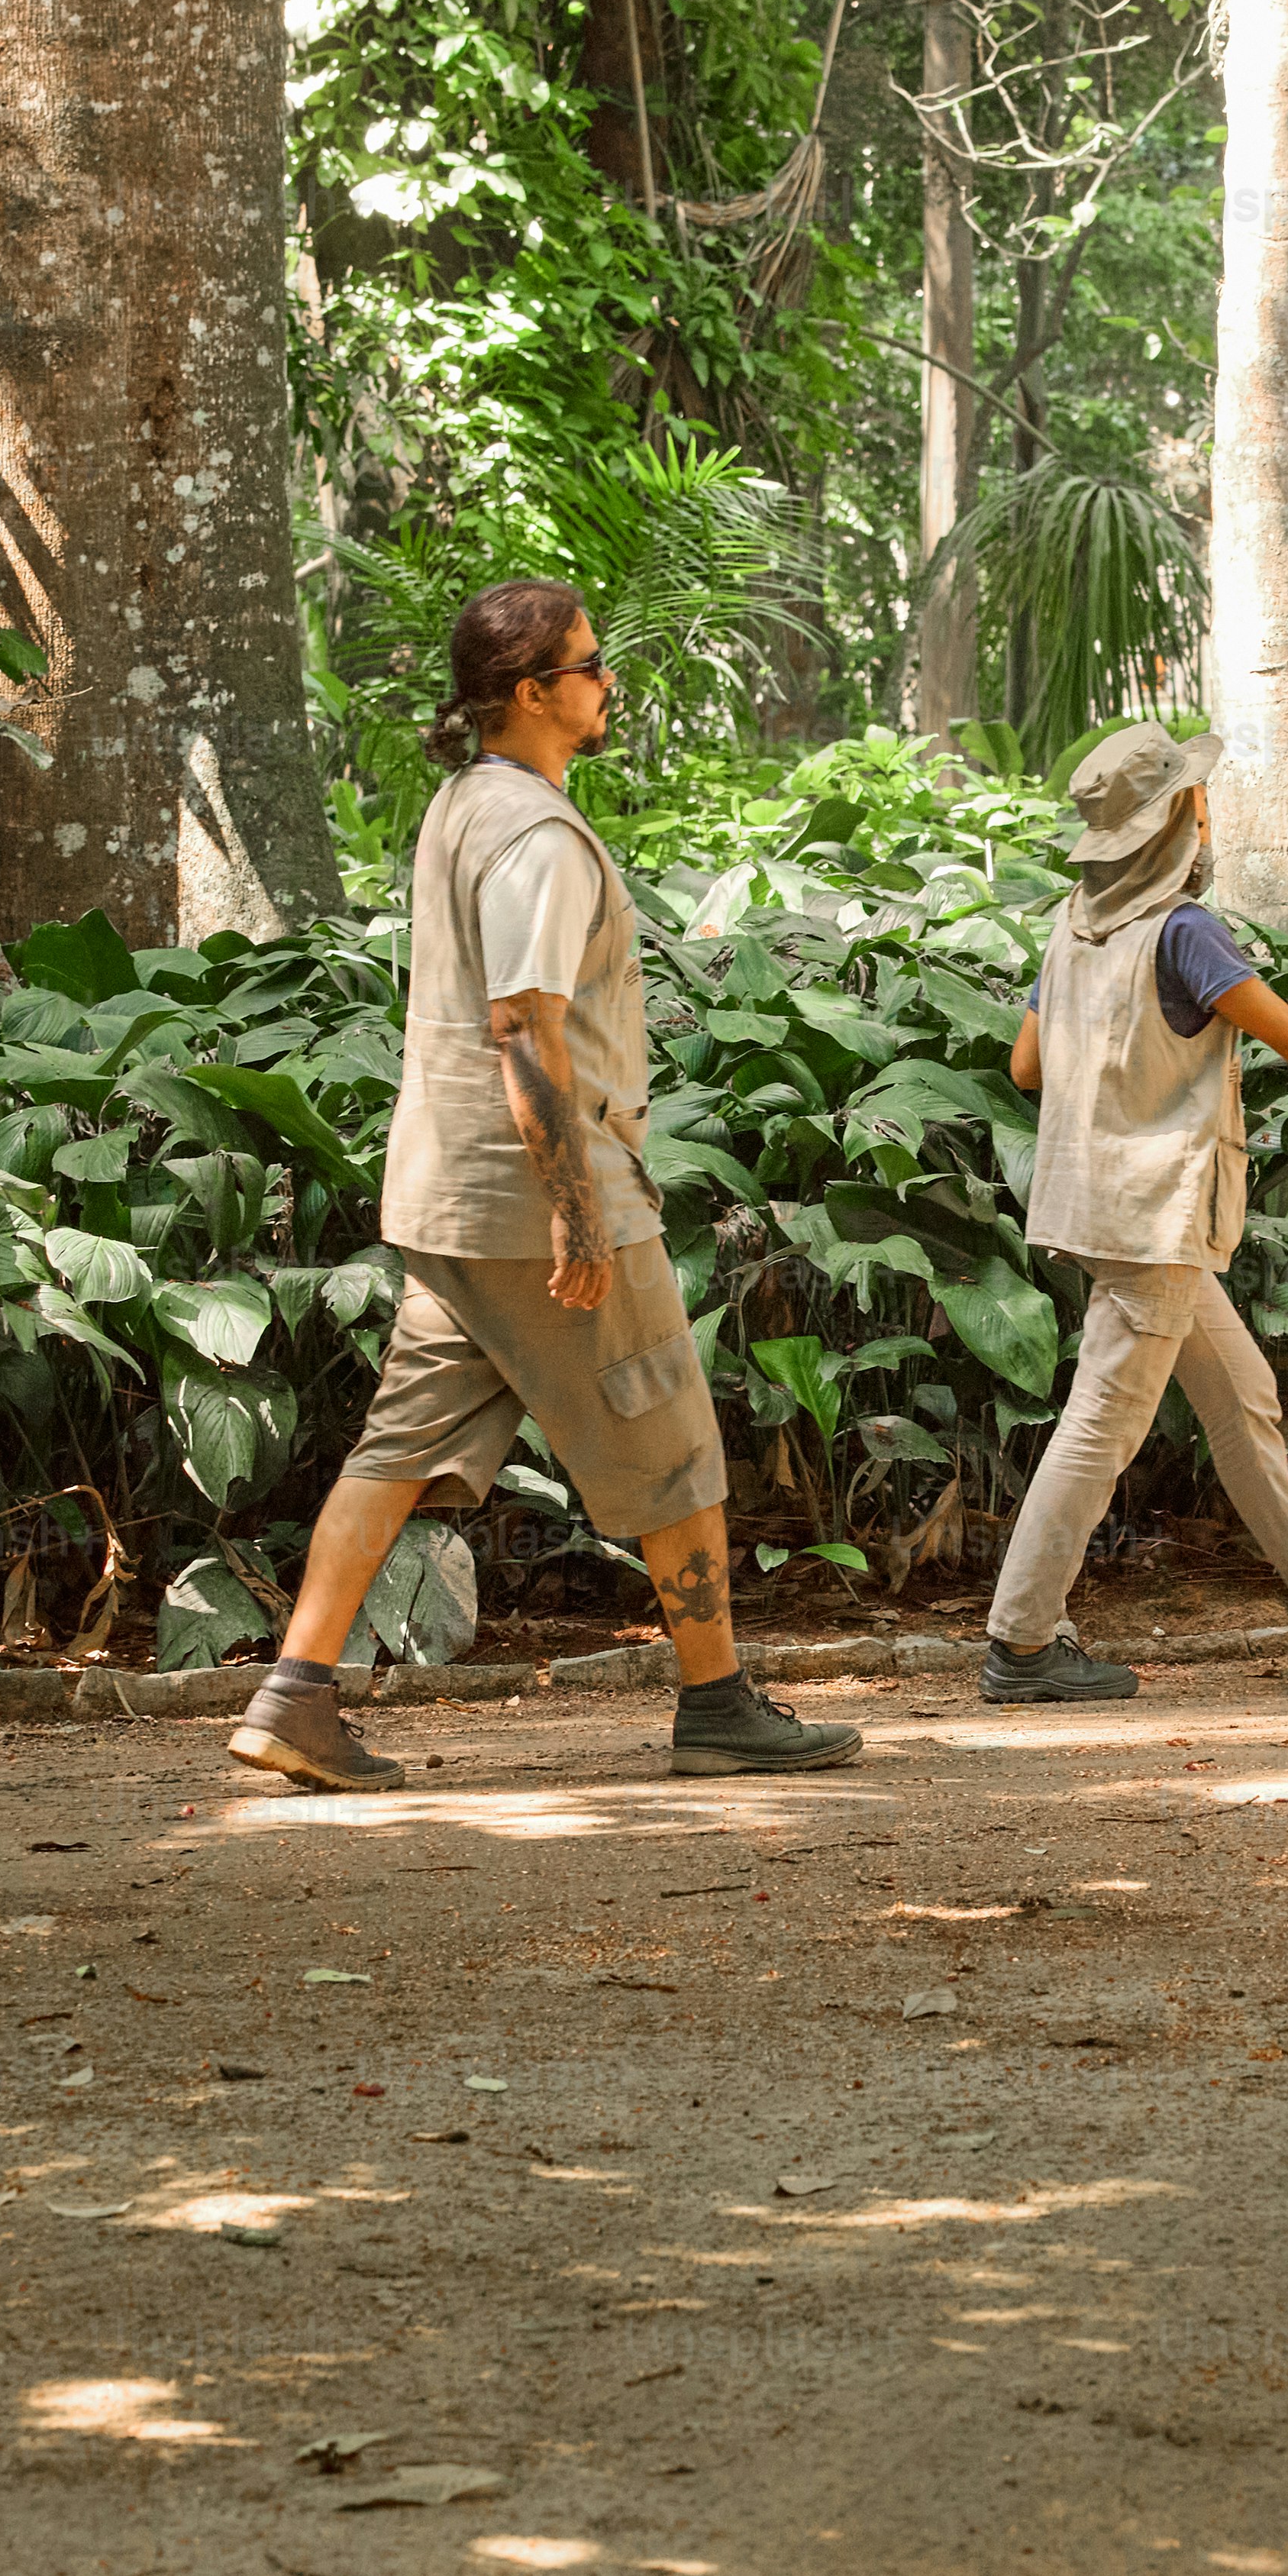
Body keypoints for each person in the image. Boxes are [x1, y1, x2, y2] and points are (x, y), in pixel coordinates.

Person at [228, 581, 863, 1792]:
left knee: (400, 1446)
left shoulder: (466, 803)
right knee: (671, 1436)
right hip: (538, 1197)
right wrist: (577, 1205)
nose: (606, 681)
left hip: (448, 1194)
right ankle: (719, 1701)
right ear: (532, 694)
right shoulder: (536, 837)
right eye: (589, 664)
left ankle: (291, 1696)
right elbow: (524, 1027)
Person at [978, 720, 1288, 1704]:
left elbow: (1027, 1065)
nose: (1209, 809)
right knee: (1100, 1428)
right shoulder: (1184, 931)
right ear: (1179, 818)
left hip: (1101, 1212)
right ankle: (1023, 1643)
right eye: (1197, 797)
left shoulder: (1074, 924)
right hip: (1156, 1221)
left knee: (1241, 1400)